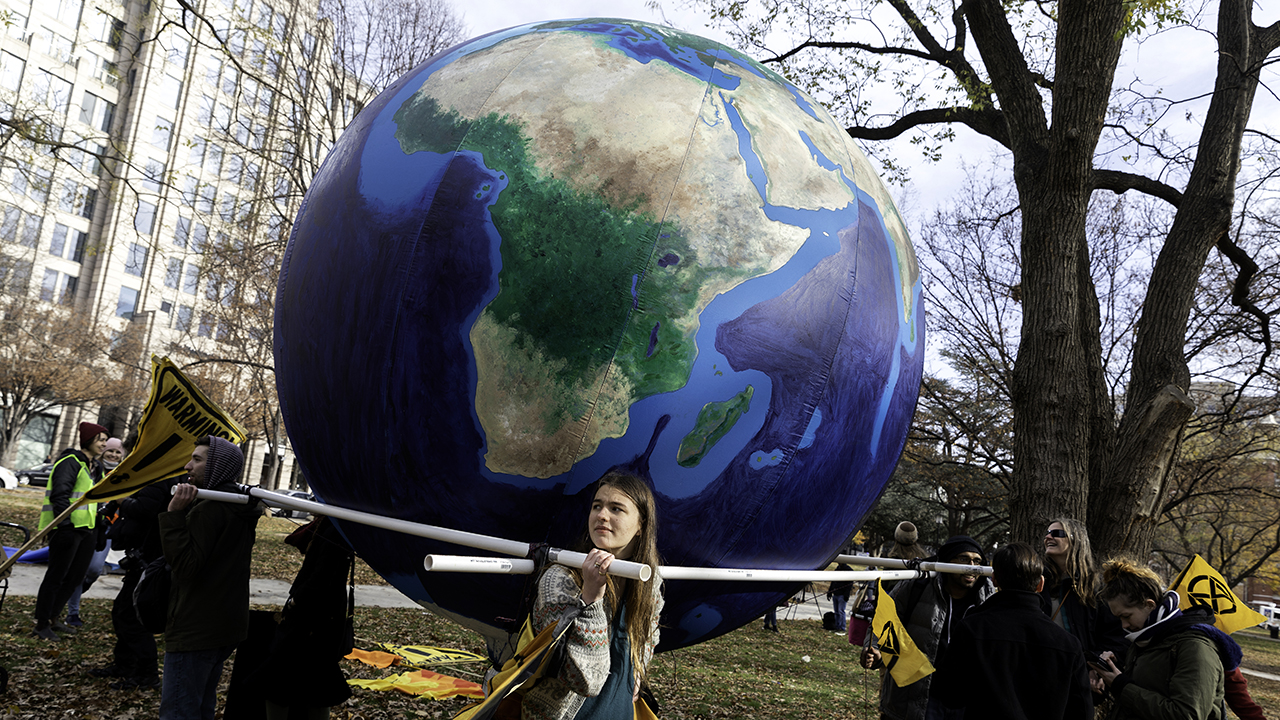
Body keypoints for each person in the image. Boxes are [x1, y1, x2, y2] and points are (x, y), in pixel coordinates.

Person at [522, 471, 663, 720]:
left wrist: (638, 669)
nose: (601, 515)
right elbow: (588, 682)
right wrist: (592, 599)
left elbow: (649, 630)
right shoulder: (560, 580)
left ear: (641, 525)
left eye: (616, 509)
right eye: (597, 506)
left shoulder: (647, 582)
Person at [158, 436, 262, 720]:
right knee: (202, 705)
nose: (187, 465)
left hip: (197, 625)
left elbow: (186, 565)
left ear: (217, 466)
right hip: (224, 623)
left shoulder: (210, 509)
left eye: (198, 459)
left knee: (180, 711)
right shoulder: (239, 507)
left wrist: (173, 516)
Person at [934, 542, 1092, 720]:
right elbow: (1082, 711)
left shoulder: (971, 629)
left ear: (994, 579)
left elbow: (949, 695)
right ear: (1040, 584)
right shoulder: (1067, 643)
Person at [860, 535, 995, 720]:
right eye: (964, 559)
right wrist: (874, 649)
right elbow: (884, 620)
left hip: (963, 701)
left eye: (977, 561)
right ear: (947, 561)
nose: (971, 565)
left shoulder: (987, 594)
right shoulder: (918, 584)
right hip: (917, 695)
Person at [1091, 559, 1241, 720]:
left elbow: (1187, 715)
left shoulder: (1195, 647)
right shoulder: (1147, 638)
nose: (1124, 625)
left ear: (1149, 605)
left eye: (1126, 616)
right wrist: (1114, 673)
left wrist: (1121, 685)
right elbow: (1149, 686)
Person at [91, 474, 180, 690]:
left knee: (131, 617)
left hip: (147, 558)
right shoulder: (159, 475)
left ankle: (146, 675)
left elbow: (146, 509)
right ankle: (125, 665)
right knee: (124, 612)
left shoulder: (160, 476)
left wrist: (122, 500)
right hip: (144, 555)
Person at [33, 421, 108, 641]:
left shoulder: (96, 466)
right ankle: (41, 623)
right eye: (100, 440)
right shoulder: (71, 461)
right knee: (57, 576)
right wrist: (64, 524)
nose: (103, 444)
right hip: (67, 529)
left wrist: (100, 527)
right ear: (89, 440)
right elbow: (60, 495)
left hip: (87, 529)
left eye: (105, 440)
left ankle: (53, 619)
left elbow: (98, 499)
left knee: (75, 577)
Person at [1042, 519, 1127, 663]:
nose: (1048, 537)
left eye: (1056, 533)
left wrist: (1097, 666)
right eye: (1048, 533)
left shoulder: (1098, 586)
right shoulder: (1038, 581)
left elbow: (1115, 636)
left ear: (1075, 540)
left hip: (1081, 674)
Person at [66, 437, 126, 627]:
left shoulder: (126, 473)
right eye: (110, 450)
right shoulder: (93, 468)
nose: (114, 455)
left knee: (94, 571)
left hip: (109, 527)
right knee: (79, 569)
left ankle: (68, 594)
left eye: (118, 452)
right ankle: (72, 612)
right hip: (90, 524)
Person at [827, 563, 853, 633]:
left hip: (842, 594)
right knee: (836, 612)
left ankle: (842, 627)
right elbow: (833, 581)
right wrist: (830, 591)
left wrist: (846, 594)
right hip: (835, 593)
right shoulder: (837, 569)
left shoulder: (849, 570)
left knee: (841, 611)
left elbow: (850, 584)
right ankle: (837, 626)